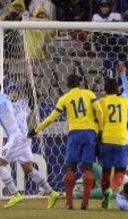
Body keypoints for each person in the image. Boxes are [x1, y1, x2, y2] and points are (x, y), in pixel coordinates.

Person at [0, 80, 60, 209]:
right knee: (29, 169)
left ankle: (15, 194)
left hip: (17, 138)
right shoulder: (3, 97)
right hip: (22, 138)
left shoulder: (4, 101)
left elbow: (0, 108)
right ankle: (52, 192)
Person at [28, 74, 103, 210]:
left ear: (67, 85)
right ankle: (85, 203)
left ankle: (69, 203)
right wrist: (100, 130)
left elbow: (51, 118)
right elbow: (99, 111)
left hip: (74, 134)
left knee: (71, 168)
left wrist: (36, 129)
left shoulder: (65, 98)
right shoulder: (89, 94)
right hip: (89, 133)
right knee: (88, 168)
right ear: (80, 83)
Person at [98, 78, 128, 209]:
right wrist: (127, 122)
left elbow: (97, 120)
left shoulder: (101, 102)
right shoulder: (124, 101)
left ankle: (105, 197)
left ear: (105, 90)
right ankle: (111, 189)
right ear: (117, 89)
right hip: (121, 141)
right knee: (120, 171)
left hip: (106, 140)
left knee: (105, 171)